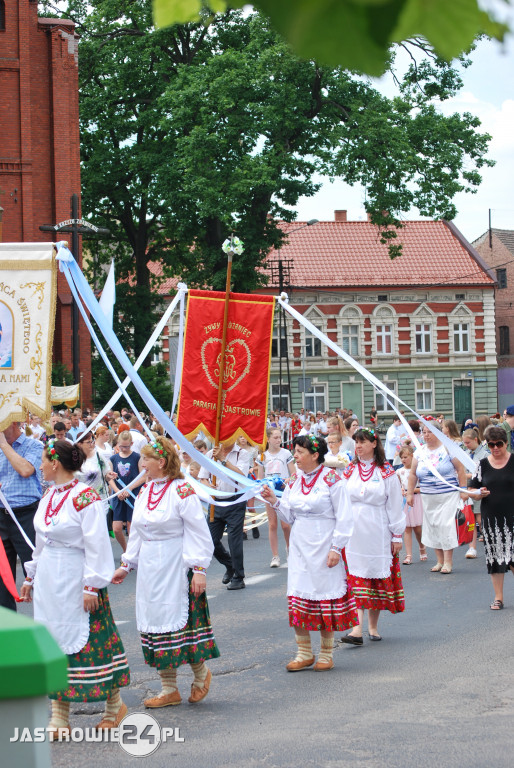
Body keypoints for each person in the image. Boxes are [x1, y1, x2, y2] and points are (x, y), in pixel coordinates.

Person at [20, 439, 129, 740]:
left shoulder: (85, 497)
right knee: (53, 641)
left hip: (77, 576)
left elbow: (96, 543)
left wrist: (92, 586)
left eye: (43, 460)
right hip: (50, 580)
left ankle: (114, 706)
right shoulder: (49, 495)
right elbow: (41, 542)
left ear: (55, 463)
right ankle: (60, 716)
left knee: (92, 640)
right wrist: (30, 576)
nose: (40, 466)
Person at [112, 437, 219, 704]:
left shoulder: (182, 490)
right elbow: (136, 530)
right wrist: (126, 564)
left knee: (183, 622)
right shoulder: (147, 490)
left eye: (146, 458)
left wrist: (199, 569)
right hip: (150, 566)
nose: (141, 462)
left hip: (175, 562)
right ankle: (169, 689)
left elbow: (197, 530)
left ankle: (201, 673)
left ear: (161, 462)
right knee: (155, 622)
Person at [261, 435, 357, 671]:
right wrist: (274, 501)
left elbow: (344, 517)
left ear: (315, 455)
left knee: (325, 596)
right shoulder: (294, 480)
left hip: (324, 543)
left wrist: (336, 548)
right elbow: (291, 516)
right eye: (294, 451)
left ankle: (326, 653)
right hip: (300, 545)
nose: (295, 455)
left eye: (300, 452)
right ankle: (303, 651)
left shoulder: (333, 479)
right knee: (299, 595)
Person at [340, 427, 405, 644]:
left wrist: (397, 536)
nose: (358, 446)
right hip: (354, 533)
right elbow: (341, 501)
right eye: (356, 442)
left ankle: (373, 627)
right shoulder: (349, 470)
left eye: (362, 442)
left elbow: (395, 506)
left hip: (378, 531)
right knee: (356, 578)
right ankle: (356, 629)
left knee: (375, 578)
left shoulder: (386, 472)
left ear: (374, 444)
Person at [407, 423, 467, 574]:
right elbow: (413, 474)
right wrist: (409, 493)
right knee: (433, 526)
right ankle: (439, 561)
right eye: (424, 432)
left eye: (430, 432)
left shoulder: (447, 448)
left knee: (445, 526)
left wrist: (464, 490)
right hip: (428, 496)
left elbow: (460, 470)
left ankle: (448, 561)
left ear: (438, 433)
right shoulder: (419, 452)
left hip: (447, 495)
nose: (426, 435)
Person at [468, 426, 514, 610]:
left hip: (512, 517)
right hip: (492, 519)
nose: (495, 448)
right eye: (491, 445)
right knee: (495, 558)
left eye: (499, 444)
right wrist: (478, 493)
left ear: (506, 443)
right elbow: (472, 489)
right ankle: (498, 598)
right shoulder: (482, 464)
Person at [0, 421, 43, 611]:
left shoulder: (33, 445)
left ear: (14, 422)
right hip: (2, 515)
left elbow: (26, 470)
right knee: (2, 578)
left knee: (37, 572)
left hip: (26, 515)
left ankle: (49, 624)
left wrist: (3, 445)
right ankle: (8, 630)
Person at [198, 438, 250, 590]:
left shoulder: (242, 454)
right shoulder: (210, 453)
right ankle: (230, 565)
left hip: (235, 501)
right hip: (216, 503)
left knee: (235, 540)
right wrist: (208, 485)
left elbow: (241, 475)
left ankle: (239, 577)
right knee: (210, 541)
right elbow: (202, 477)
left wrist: (222, 460)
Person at [256, 428, 295, 567]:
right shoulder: (263, 456)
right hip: (269, 492)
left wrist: (286, 482)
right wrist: (263, 486)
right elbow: (260, 477)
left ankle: (290, 549)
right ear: (268, 439)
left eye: (279, 437)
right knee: (272, 524)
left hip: (283, 491)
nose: (279, 440)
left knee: (285, 524)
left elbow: (293, 473)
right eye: (275, 437)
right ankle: (275, 556)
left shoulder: (286, 453)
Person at [108, 431, 145, 552]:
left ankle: (133, 552)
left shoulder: (137, 457)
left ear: (132, 444)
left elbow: (143, 477)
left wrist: (130, 489)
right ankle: (126, 550)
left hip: (133, 495)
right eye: (122, 446)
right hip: (119, 495)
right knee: (117, 528)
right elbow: (110, 478)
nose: (124, 449)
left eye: (127, 446)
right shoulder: (113, 458)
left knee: (131, 527)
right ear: (118, 444)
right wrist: (118, 491)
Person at [462, 427, 490, 559]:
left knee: (480, 518)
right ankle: (472, 548)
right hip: (467, 489)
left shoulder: (485, 454)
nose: (466, 445)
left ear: (475, 439)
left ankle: (490, 542)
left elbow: (482, 473)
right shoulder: (464, 454)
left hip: (479, 489)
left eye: (468, 442)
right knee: (470, 518)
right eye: (464, 443)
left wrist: (466, 476)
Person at [396, 443, 426, 564]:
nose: (403, 460)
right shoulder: (399, 471)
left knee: (417, 528)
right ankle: (408, 555)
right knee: (407, 528)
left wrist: (411, 491)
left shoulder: (418, 471)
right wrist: (402, 490)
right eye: (401, 457)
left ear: (412, 457)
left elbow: (422, 487)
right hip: (404, 501)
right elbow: (398, 486)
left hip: (416, 499)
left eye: (406, 457)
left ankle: (422, 547)